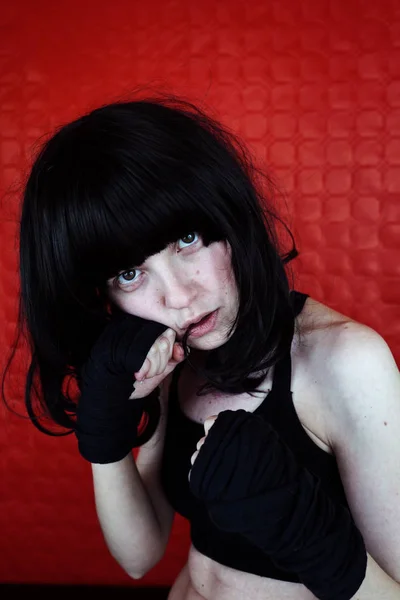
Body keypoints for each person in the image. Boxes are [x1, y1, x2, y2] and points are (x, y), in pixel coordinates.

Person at [3, 93, 400, 600]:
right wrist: (104, 437)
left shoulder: (348, 362)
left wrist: (312, 536)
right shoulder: (171, 359)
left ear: (227, 216)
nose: (179, 296)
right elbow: (139, 557)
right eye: (130, 274)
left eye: (186, 239)